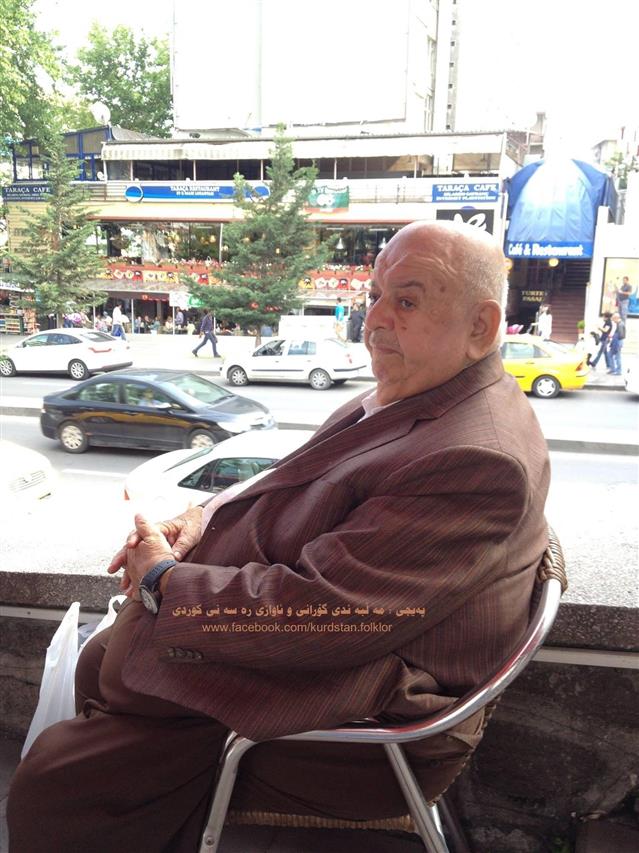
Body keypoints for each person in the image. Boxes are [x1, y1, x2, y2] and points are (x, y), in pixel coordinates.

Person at [8, 221, 550, 851]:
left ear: (481, 326)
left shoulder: (475, 458)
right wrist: (203, 517)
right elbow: (292, 480)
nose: (373, 320)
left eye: (406, 301)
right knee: (102, 669)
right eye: (375, 295)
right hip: (315, 647)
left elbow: (334, 615)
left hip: (359, 717)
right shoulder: (417, 392)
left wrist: (162, 579)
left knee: (54, 786)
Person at [607, 311, 625, 375]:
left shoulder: (620, 324)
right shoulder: (619, 324)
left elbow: (620, 335)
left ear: (616, 318)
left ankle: (618, 371)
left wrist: (614, 337)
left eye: (613, 319)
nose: (613, 321)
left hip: (617, 342)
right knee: (612, 355)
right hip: (617, 342)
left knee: (617, 356)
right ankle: (613, 369)